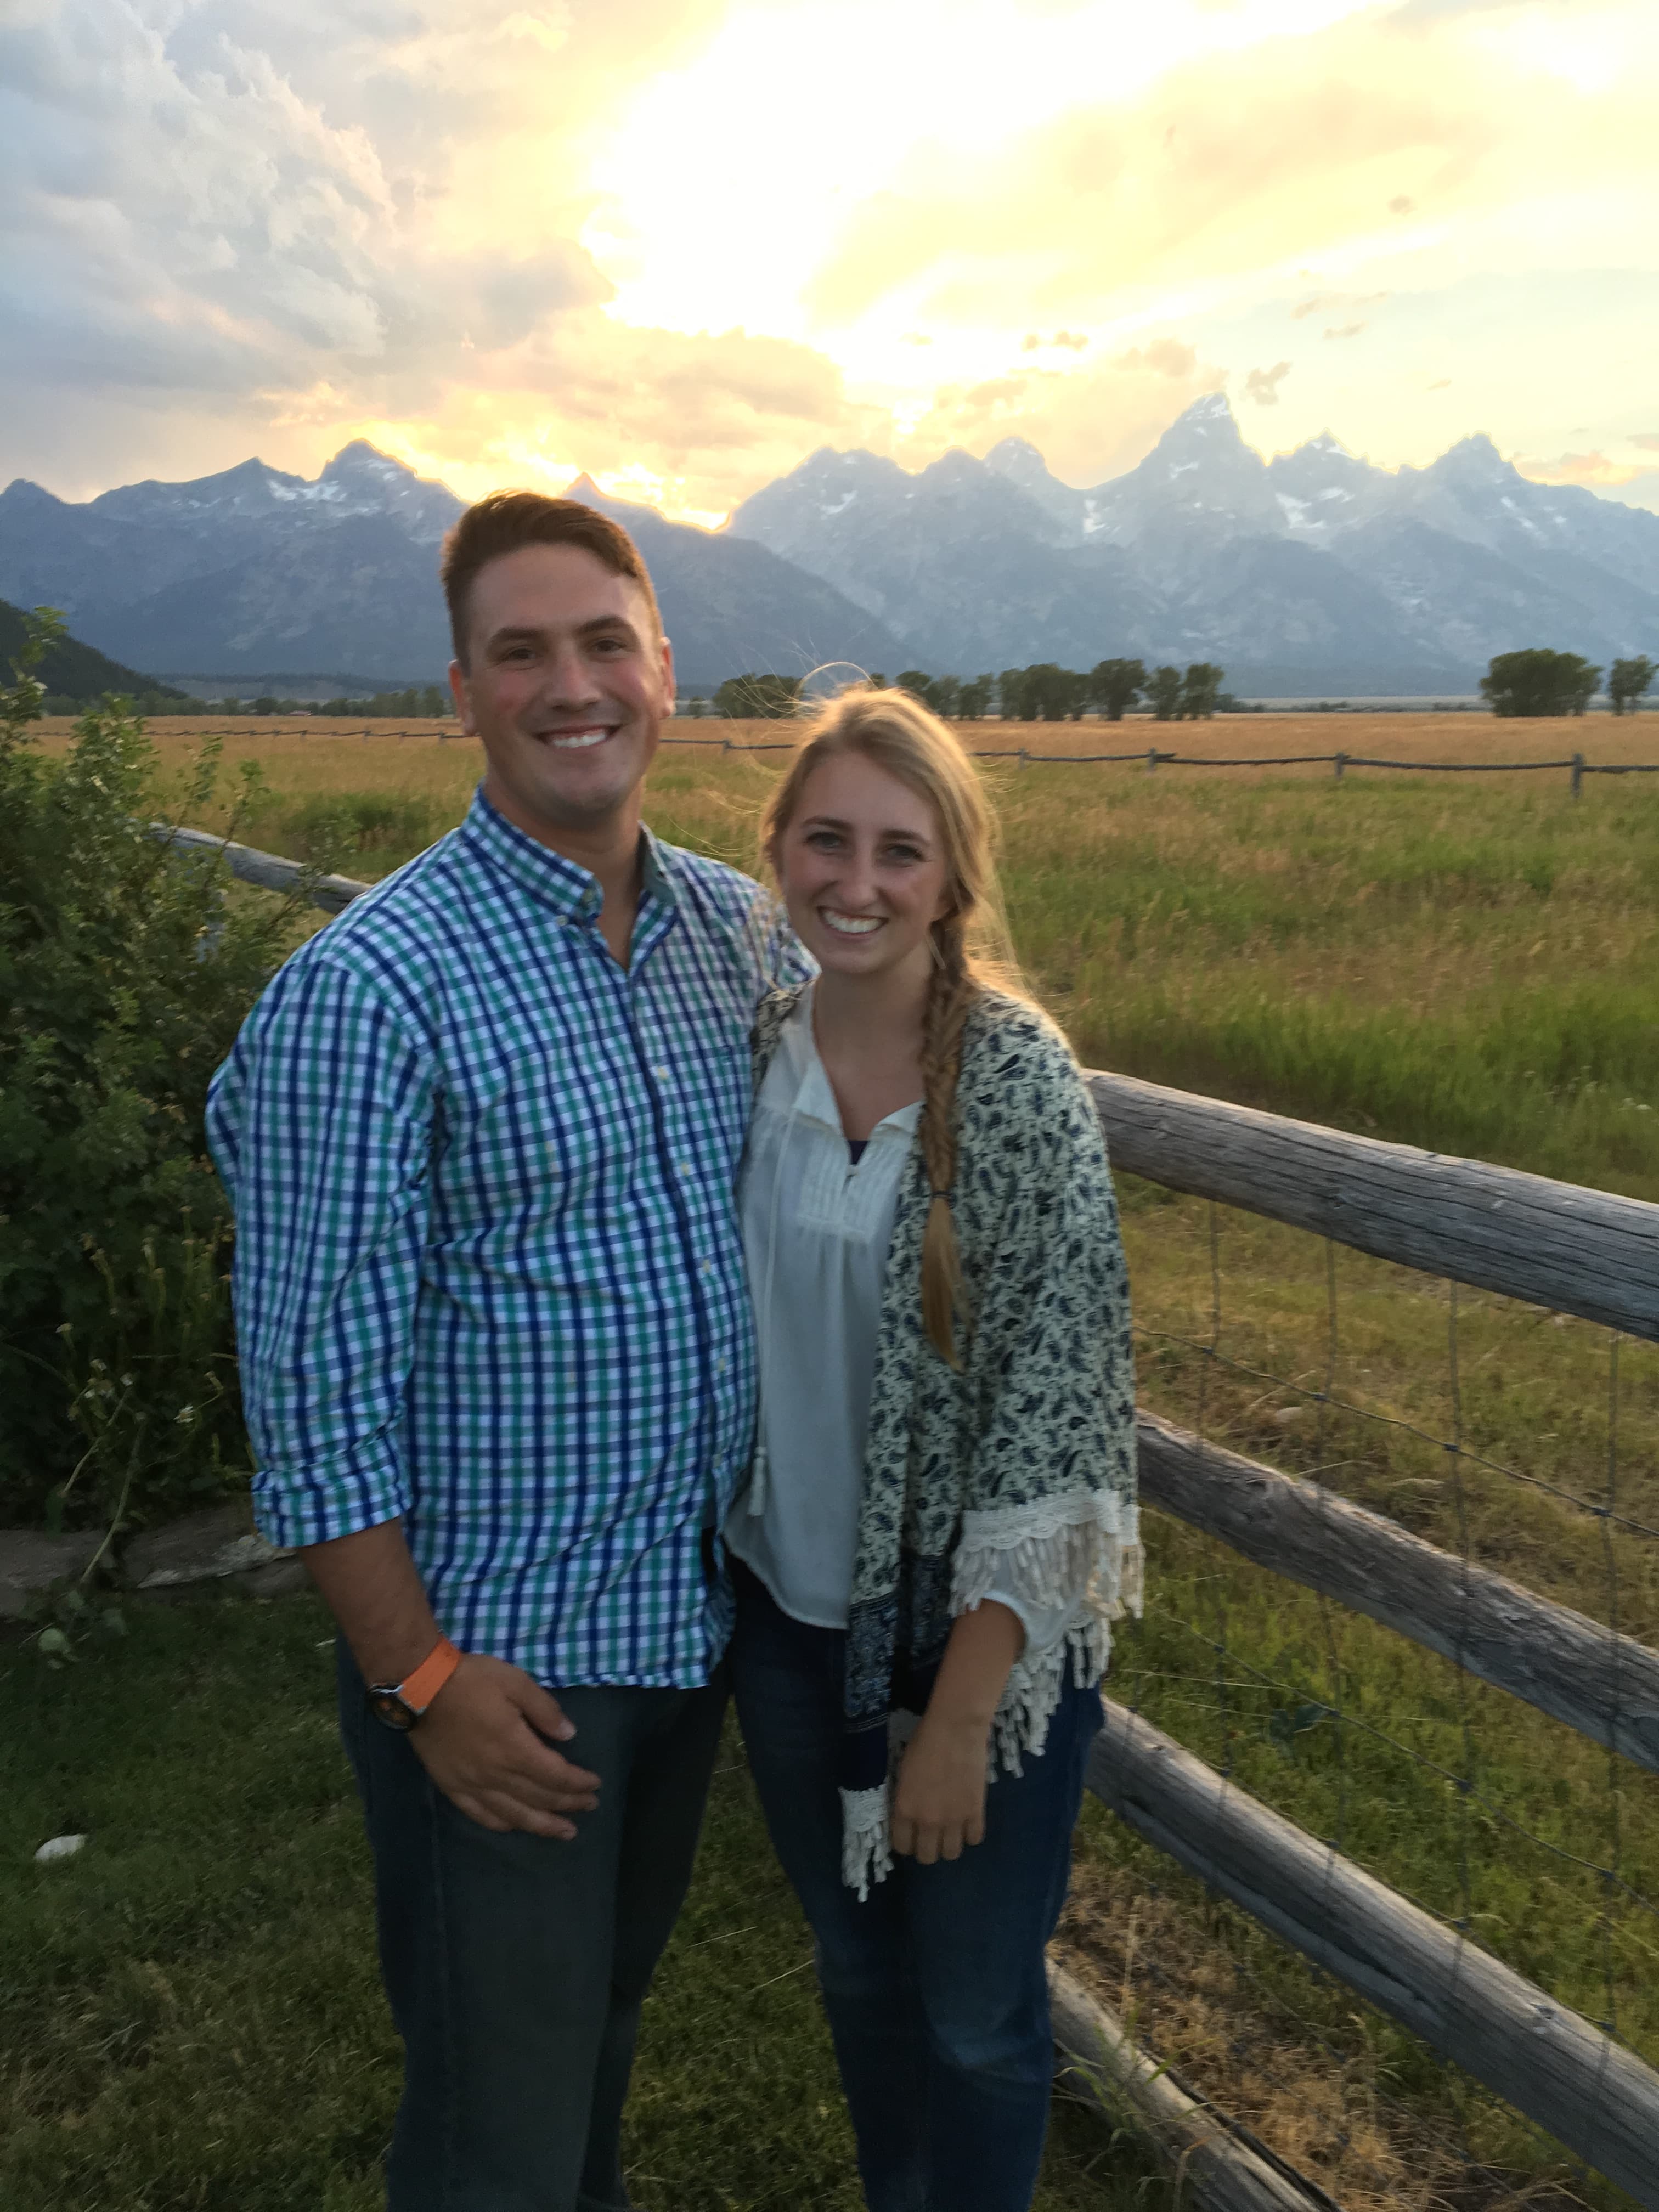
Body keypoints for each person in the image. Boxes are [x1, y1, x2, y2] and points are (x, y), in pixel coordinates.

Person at [206, 492, 798, 2212]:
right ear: (463, 692)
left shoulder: (735, 939)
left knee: (592, 2042)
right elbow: (310, 1393)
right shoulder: (370, 990)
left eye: (606, 642)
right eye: (522, 653)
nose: (573, 685)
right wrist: (418, 1680)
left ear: (665, 668)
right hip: (505, 1668)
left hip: (687, 1619)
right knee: (500, 2129)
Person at [725, 686, 1141, 2212]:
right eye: (826, 841)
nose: (857, 882)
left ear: (953, 876)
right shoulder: (754, 1059)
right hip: (786, 1615)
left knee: (975, 2016)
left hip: (977, 1645)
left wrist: (960, 1718)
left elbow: (1059, 1418)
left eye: (900, 851)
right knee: (857, 1971)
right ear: (777, 851)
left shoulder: (1021, 1091)